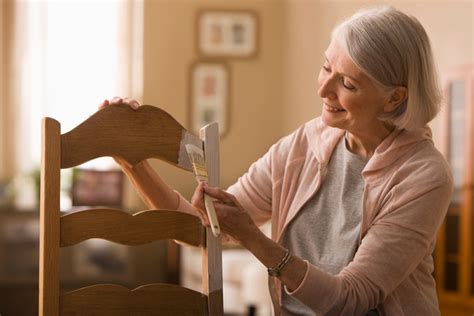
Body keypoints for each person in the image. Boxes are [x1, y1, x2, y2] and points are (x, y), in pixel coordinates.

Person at [99, 6, 453, 315]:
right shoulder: (305, 143)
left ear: (394, 99)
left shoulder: (423, 175)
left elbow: (350, 301)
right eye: (325, 67)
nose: (323, 90)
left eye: (346, 83)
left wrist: (254, 238)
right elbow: (201, 229)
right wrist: (132, 161)